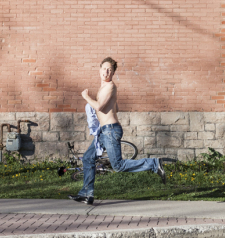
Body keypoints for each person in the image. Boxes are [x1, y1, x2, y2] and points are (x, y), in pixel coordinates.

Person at [69, 57, 165, 205]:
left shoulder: (110, 87)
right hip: (104, 131)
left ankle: (154, 164)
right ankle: (86, 194)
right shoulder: (104, 88)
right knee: (88, 158)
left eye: (110, 70)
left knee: (118, 166)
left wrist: (86, 97)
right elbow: (116, 108)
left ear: (113, 73)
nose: (106, 72)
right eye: (104, 69)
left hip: (111, 131)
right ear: (99, 70)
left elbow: (99, 106)